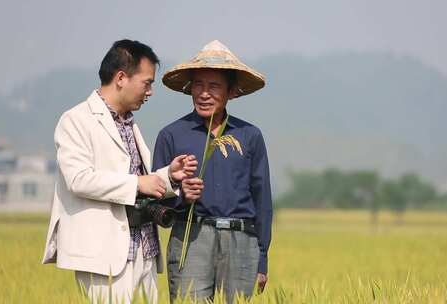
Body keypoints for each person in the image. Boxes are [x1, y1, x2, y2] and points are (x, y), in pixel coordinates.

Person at [41, 39, 200, 304]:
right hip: (106, 256)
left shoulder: (129, 123)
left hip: (145, 249)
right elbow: (78, 179)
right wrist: (138, 183)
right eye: (147, 83)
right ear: (121, 77)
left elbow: (139, 181)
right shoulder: (76, 120)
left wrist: (169, 176)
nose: (149, 92)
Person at [153, 40, 273, 302]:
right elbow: (156, 198)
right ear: (189, 88)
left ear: (231, 92)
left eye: (214, 86)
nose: (204, 94)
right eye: (198, 85)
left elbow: (262, 199)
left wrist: (262, 258)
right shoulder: (171, 135)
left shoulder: (250, 136)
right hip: (191, 238)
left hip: (242, 241)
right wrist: (182, 195)